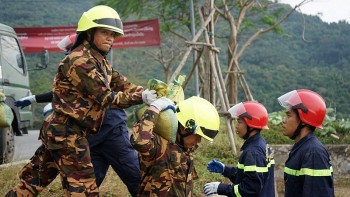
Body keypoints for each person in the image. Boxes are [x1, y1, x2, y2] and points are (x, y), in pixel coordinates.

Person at [6, 5, 156, 196]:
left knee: (32, 182)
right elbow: (106, 97)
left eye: (113, 34)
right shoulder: (79, 61)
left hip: (63, 132)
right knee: (84, 190)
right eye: (105, 32)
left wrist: (150, 92)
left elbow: (122, 83)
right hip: (68, 134)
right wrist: (141, 97)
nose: (110, 38)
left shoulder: (100, 61)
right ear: (89, 33)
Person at [131, 96, 220, 196]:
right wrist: (154, 109)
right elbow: (139, 142)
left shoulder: (185, 149)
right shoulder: (160, 145)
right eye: (197, 135)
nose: (198, 141)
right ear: (184, 128)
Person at [203, 101, 275, 197]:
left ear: (251, 125)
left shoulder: (254, 151)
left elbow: (250, 190)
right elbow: (248, 177)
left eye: (240, 122)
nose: (236, 126)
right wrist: (225, 170)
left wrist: (221, 188)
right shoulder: (258, 144)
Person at [277, 89, 334, 197]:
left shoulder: (313, 153)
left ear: (303, 120)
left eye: (288, 115)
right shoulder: (301, 148)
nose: (283, 121)